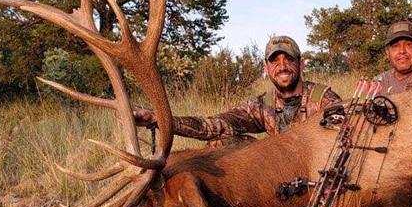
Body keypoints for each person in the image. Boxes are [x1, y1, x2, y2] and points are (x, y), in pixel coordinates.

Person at [135, 35, 341, 146]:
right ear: (266, 68)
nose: (283, 66)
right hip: (279, 170)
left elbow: (345, 139)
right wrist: (158, 119)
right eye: (275, 61)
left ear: (301, 64)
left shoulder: (322, 98)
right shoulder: (262, 105)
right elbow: (213, 126)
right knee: (219, 142)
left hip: (316, 173)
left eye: (289, 59)